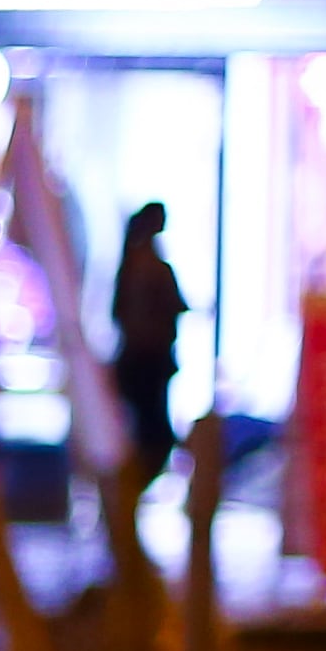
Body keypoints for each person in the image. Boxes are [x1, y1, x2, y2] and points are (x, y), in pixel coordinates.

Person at [106, 203, 186, 479]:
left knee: (148, 430)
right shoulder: (147, 265)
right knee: (152, 433)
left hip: (143, 358)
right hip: (147, 360)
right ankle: (132, 491)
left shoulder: (136, 262)